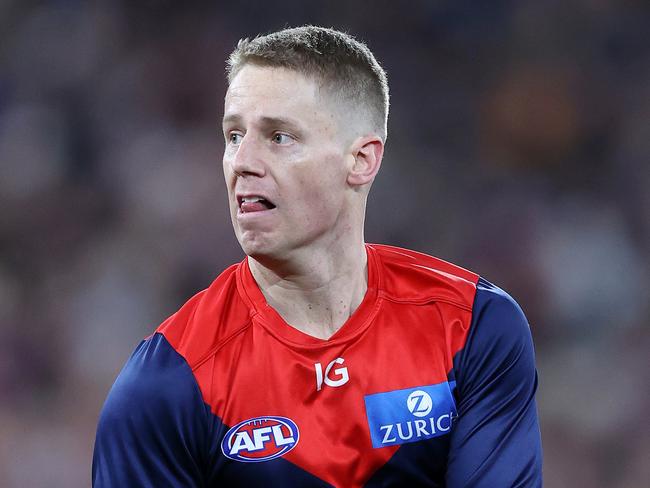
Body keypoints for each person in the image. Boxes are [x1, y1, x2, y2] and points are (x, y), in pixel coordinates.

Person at [92, 25, 542, 487]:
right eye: (233, 135)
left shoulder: (472, 326)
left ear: (362, 160)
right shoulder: (169, 382)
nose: (243, 160)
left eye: (279, 137)